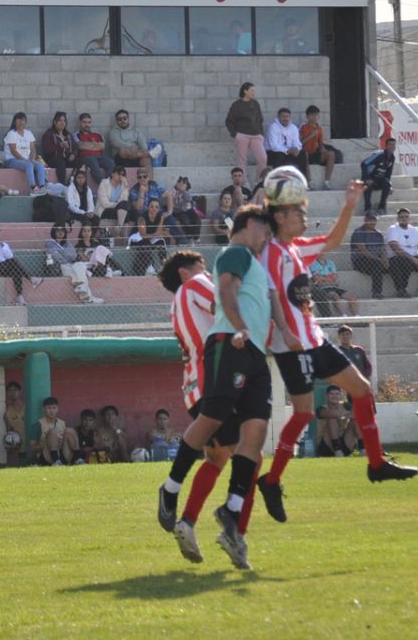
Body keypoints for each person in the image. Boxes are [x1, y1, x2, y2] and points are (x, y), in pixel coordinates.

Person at [255, 182, 418, 530]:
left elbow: (332, 241)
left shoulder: (296, 248)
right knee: (302, 415)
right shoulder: (269, 252)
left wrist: (350, 204)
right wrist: (283, 330)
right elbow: (270, 294)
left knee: (360, 389)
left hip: (314, 338)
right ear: (281, 216)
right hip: (292, 344)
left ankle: (376, 463)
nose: (303, 216)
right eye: (298, 211)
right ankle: (271, 482)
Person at [157, 206, 275, 571]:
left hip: (193, 384)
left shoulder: (175, 305)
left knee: (218, 458)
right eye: (200, 265)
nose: (208, 270)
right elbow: (224, 297)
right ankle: (233, 532)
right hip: (217, 375)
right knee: (249, 457)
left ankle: (189, 522)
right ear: (185, 272)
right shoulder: (197, 286)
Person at [0, 222, 42, 306]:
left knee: (16, 271)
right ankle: (31, 279)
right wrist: (3, 260)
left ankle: (20, 296)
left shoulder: (4, 244)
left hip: (6, 267)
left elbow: (10, 255)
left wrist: (2, 246)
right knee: (13, 263)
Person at [46, 223, 103, 304]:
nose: (60, 232)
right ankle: (88, 298)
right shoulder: (50, 243)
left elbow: (73, 255)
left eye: (62, 230)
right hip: (60, 267)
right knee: (79, 272)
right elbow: (56, 257)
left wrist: (62, 253)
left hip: (71, 265)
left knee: (81, 265)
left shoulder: (68, 243)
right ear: (53, 231)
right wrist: (66, 254)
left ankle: (83, 289)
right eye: (58, 230)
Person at [224, 83, 266, 179]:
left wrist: (261, 135)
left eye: (254, 90)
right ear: (245, 91)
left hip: (256, 135)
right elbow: (229, 121)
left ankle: (259, 181)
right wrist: (235, 134)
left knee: (262, 159)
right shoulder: (236, 105)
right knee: (242, 160)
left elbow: (260, 120)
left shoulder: (255, 103)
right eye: (251, 90)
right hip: (242, 135)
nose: (253, 92)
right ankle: (244, 183)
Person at [130, 198, 176, 275]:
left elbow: (164, 232)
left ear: (159, 209)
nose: (154, 209)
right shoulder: (142, 218)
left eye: (156, 207)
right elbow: (143, 234)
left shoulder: (160, 217)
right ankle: (149, 266)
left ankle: (164, 266)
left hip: (151, 238)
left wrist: (161, 220)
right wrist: (157, 234)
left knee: (161, 242)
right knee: (146, 243)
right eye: (152, 206)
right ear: (148, 207)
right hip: (138, 238)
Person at [3, 112, 46, 194]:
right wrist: (25, 160)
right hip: (12, 160)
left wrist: (32, 159)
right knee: (29, 165)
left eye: (22, 120)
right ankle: (33, 188)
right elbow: (13, 151)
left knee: (39, 165)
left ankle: (42, 187)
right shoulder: (11, 134)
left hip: (26, 160)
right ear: (15, 122)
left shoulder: (28, 133)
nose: (20, 122)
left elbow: (33, 149)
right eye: (18, 120)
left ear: (25, 122)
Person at [350, 211, 389, 300]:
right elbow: (363, 251)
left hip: (376, 260)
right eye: (370, 220)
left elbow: (382, 249)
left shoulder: (378, 234)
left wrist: (385, 259)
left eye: (374, 220)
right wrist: (379, 260)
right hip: (361, 261)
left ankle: (401, 290)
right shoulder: (359, 232)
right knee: (377, 264)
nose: (372, 222)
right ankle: (377, 292)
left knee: (396, 263)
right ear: (365, 220)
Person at [30, 396, 78, 466]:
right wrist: (49, 442)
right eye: (49, 408)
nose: (52, 411)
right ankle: (56, 461)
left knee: (70, 430)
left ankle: (78, 459)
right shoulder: (38, 425)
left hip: (62, 452)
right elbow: (32, 449)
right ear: (43, 409)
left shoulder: (62, 423)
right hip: (47, 455)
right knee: (52, 432)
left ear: (57, 409)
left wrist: (60, 442)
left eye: (54, 408)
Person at [315, 386, 361, 457]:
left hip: (344, 441)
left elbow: (359, 413)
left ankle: (363, 449)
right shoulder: (321, 408)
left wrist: (348, 415)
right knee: (332, 419)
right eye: (332, 394)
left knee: (355, 421)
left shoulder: (345, 405)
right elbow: (331, 413)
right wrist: (347, 415)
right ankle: (337, 450)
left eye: (337, 394)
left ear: (341, 396)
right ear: (326, 396)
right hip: (327, 444)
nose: (334, 396)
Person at [310, 251, 358, 317]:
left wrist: (323, 278)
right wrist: (329, 278)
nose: (323, 253)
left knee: (352, 296)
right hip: (322, 288)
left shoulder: (330, 263)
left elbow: (335, 278)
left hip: (334, 286)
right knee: (335, 295)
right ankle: (343, 315)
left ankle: (356, 315)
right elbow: (316, 279)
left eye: (324, 250)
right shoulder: (313, 264)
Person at [299, 106, 335, 189]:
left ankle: (326, 182)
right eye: (312, 115)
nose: (314, 117)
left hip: (315, 153)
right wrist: (311, 135)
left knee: (331, 154)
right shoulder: (303, 127)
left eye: (316, 115)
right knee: (304, 155)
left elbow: (321, 144)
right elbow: (299, 143)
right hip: (305, 154)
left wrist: (323, 150)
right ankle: (310, 183)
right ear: (307, 116)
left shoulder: (319, 129)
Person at [73, 112, 114, 183]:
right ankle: (102, 184)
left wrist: (88, 145)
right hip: (85, 157)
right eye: (84, 122)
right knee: (93, 163)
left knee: (111, 163)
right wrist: (95, 145)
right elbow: (80, 145)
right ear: (80, 123)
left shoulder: (97, 135)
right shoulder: (76, 134)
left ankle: (108, 183)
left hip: (99, 156)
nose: (87, 124)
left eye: (89, 122)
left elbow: (102, 146)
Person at [41, 111, 80, 186]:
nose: (62, 123)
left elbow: (75, 147)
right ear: (55, 122)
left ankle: (72, 180)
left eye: (64, 121)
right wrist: (59, 145)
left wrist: (73, 154)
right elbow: (47, 149)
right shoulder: (49, 134)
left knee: (79, 161)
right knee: (60, 162)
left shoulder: (68, 135)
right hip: (52, 159)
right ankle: (63, 184)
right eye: (60, 120)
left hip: (66, 158)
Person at [361, 138, 396, 214]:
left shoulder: (392, 158)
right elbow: (364, 164)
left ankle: (381, 208)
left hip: (379, 180)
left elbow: (388, 173)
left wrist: (390, 185)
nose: (392, 147)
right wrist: (367, 178)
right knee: (367, 187)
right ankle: (368, 209)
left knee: (387, 184)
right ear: (386, 146)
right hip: (370, 178)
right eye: (390, 144)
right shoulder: (379, 154)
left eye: (393, 145)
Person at [97, 166, 131, 235]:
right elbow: (105, 204)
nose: (120, 176)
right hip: (104, 210)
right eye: (118, 174)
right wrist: (118, 205)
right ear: (112, 174)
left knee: (125, 210)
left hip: (117, 210)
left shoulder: (122, 185)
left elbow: (124, 201)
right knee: (124, 210)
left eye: (122, 175)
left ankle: (120, 227)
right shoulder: (104, 184)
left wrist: (125, 186)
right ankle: (124, 238)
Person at [169, 177, 202, 243]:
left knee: (198, 220)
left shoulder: (186, 192)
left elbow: (189, 199)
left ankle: (196, 236)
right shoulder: (172, 192)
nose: (181, 184)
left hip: (189, 210)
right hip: (179, 212)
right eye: (179, 182)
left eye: (183, 183)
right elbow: (174, 204)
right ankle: (189, 237)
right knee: (186, 221)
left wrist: (183, 191)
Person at [2, 382, 24, 466]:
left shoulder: (28, 407)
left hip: (31, 445)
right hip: (19, 446)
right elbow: (9, 433)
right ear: (7, 393)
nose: (13, 392)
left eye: (15, 390)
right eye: (10, 390)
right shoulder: (7, 414)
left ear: (19, 392)